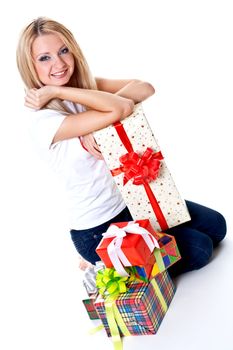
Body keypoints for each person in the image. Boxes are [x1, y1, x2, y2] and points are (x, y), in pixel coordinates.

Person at [16, 17, 226, 277]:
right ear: (30, 65)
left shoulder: (85, 89)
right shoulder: (41, 121)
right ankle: (101, 261)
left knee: (216, 226)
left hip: (132, 205)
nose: (59, 64)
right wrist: (58, 94)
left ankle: (132, 255)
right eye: (44, 58)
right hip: (99, 229)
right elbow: (122, 107)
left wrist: (81, 106)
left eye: (63, 51)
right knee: (201, 248)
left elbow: (144, 87)